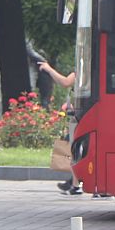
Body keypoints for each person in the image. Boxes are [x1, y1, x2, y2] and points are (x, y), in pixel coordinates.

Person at [38, 61, 79, 195]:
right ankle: (74, 182)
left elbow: (66, 82)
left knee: (73, 148)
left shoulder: (83, 71)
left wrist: (48, 69)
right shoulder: (94, 71)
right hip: (84, 114)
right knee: (76, 148)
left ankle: (75, 184)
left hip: (80, 116)